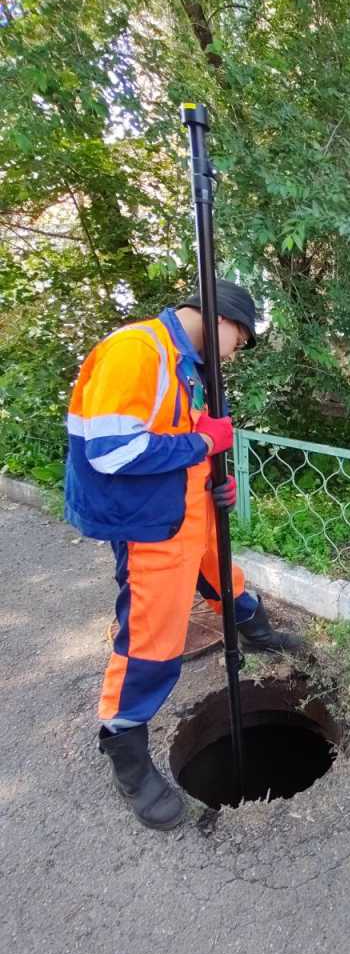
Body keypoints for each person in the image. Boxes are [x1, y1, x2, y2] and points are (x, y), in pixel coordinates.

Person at [65, 279, 301, 831]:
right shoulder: (136, 351)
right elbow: (112, 451)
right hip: (150, 521)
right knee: (153, 637)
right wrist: (204, 445)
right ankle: (124, 745)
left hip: (188, 504)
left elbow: (185, 434)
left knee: (222, 572)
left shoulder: (187, 364)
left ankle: (254, 630)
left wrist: (215, 480)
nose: (235, 353)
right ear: (220, 319)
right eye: (240, 340)